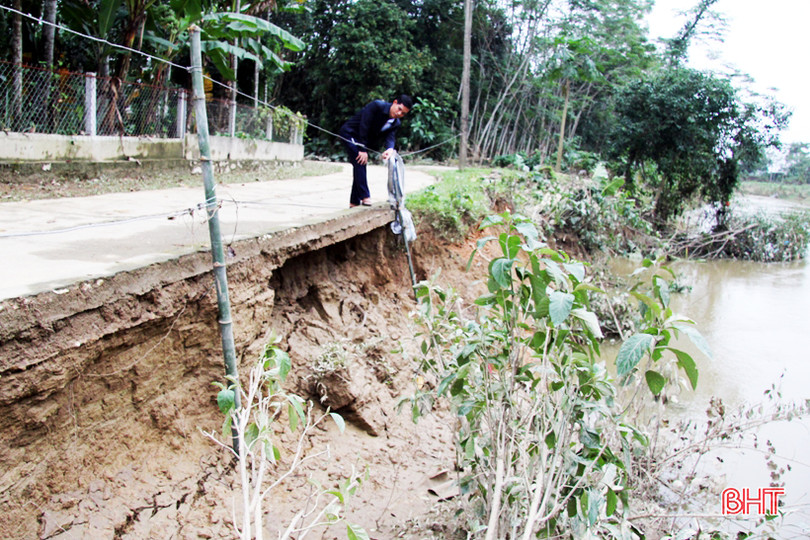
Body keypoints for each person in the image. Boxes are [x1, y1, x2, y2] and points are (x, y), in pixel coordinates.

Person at [339, 95, 413, 207]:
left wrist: (389, 149)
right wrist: (362, 149)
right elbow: (364, 125)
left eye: (403, 114)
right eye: (399, 109)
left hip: (361, 140)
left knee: (359, 163)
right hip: (350, 134)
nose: (399, 114)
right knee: (360, 160)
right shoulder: (377, 106)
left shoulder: (395, 123)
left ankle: (354, 202)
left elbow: (390, 138)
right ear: (395, 102)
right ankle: (365, 195)